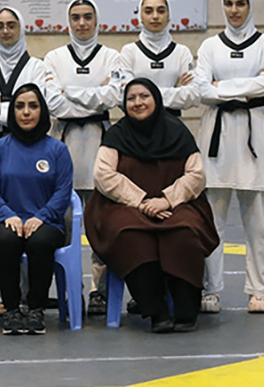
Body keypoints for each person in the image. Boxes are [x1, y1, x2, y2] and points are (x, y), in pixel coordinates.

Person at [85, 79, 219, 333]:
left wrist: (167, 199)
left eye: (144, 96)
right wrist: (141, 201)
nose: (138, 103)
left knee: (184, 231)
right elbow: (103, 175)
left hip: (175, 204)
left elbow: (196, 175)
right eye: (131, 98)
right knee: (130, 235)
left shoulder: (178, 131)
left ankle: (186, 311)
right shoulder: (116, 135)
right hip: (125, 205)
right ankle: (157, 312)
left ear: (156, 99)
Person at [197, 0, 264, 314]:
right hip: (217, 139)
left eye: (240, 3)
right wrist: (245, 87)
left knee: (257, 223)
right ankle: (211, 290)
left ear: (250, 6)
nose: (234, 10)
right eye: (229, 3)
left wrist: (222, 87)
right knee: (212, 222)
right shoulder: (210, 46)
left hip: (254, 136)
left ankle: (259, 290)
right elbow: (202, 89)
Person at [44, 0, 121, 315]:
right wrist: (95, 93)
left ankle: (98, 292)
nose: (82, 23)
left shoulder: (112, 57)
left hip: (101, 145)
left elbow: (114, 96)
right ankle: (68, 288)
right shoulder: (54, 57)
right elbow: (53, 103)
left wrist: (70, 92)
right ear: (68, 22)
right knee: (64, 227)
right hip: (64, 147)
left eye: (88, 17)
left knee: (101, 227)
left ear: (97, 20)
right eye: (75, 17)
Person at [0, 83, 73, 335]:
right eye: (20, 106)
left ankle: (35, 309)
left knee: (39, 242)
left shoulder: (58, 150)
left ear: (42, 111)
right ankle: (11, 309)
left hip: (47, 223)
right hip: (6, 221)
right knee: (5, 240)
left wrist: (41, 217)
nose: (26, 112)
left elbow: (63, 192)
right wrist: (7, 215)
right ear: (12, 112)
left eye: (33, 106)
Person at [0, 7, 46, 194]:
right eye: (0, 26)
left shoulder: (36, 67)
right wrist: (12, 118)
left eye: (11, 25)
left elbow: (38, 111)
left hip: (27, 149)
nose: (5, 31)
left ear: (21, 28)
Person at [120, 0, 199, 114]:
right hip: (138, 123)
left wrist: (141, 96)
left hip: (172, 123)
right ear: (140, 16)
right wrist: (176, 91)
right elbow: (124, 96)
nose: (155, 16)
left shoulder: (181, 52)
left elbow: (193, 95)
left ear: (168, 15)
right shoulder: (129, 52)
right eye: (148, 11)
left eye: (161, 11)